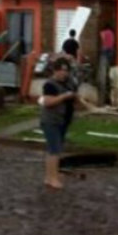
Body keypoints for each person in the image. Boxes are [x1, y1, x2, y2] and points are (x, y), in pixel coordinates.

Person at [39, 58, 77, 189]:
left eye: (66, 71)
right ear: (55, 70)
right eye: (61, 70)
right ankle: (51, 178)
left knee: (56, 149)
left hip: (63, 121)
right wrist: (64, 96)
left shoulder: (68, 83)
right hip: (51, 121)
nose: (64, 73)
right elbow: (47, 102)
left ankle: (51, 174)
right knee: (53, 150)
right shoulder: (49, 85)